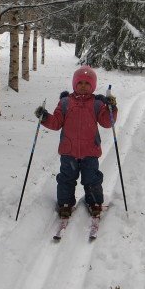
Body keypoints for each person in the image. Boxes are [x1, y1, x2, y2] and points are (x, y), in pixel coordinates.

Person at [34, 66, 117, 218]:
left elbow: (107, 122)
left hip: (90, 151)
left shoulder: (97, 104)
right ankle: (65, 204)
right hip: (68, 151)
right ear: (74, 84)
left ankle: (94, 203)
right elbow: (56, 123)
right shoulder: (65, 102)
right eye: (80, 83)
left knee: (92, 179)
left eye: (87, 83)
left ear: (93, 86)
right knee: (66, 179)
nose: (83, 86)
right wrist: (45, 117)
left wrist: (111, 108)